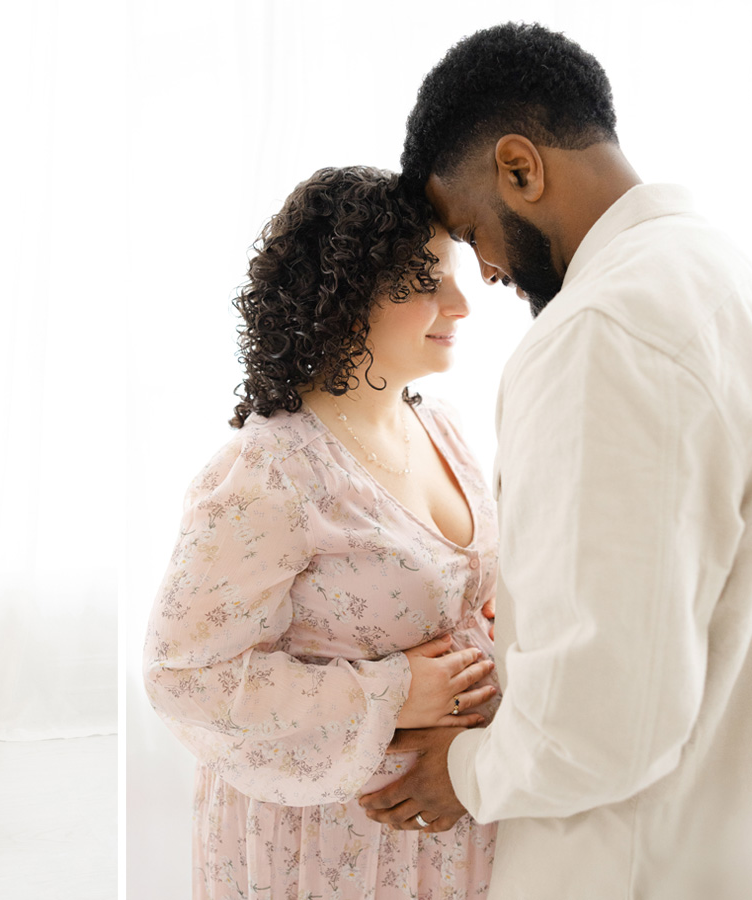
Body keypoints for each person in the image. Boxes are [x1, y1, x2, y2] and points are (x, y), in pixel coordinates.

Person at [357, 23, 752, 897]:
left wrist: (462, 772)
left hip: (623, 862)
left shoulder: (599, 335)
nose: (486, 274)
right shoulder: (720, 275)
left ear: (520, 168)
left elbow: (609, 722)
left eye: (470, 232)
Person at [144, 165, 500, 899]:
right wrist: (394, 691)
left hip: (453, 822)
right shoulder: (271, 471)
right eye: (426, 280)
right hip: (327, 846)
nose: (461, 304)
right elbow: (182, 676)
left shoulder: (444, 431)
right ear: (345, 294)